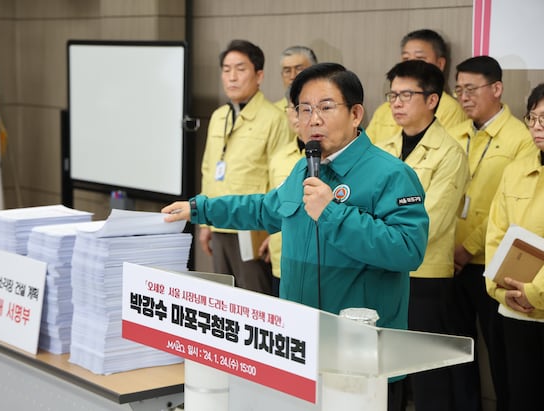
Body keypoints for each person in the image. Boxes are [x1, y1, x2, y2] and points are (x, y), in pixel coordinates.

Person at [164, 63, 430, 411]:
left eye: (325, 107)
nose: (313, 119)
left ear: (355, 114)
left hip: (359, 356)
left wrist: (332, 213)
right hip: (299, 346)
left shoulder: (391, 174)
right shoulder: (305, 168)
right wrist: (200, 209)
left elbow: (408, 249)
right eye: (304, 109)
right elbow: (265, 209)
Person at [377, 60, 469, 411]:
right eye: (392, 95)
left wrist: (373, 236)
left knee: (427, 377)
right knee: (386, 371)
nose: (396, 103)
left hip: (425, 276)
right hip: (382, 272)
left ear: (432, 100)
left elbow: (430, 223)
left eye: (406, 95)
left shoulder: (450, 153)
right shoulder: (382, 146)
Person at [447, 55, 538, 411]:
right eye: (459, 90)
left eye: (472, 89)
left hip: (499, 267)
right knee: (459, 350)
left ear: (497, 88)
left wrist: (468, 248)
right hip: (457, 263)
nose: (464, 97)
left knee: (504, 360)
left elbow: (505, 215)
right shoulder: (456, 134)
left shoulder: (520, 138)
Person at [198, 39, 299, 295]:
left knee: (252, 299)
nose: (232, 77)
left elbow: (282, 179)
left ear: (259, 75)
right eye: (226, 69)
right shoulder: (218, 116)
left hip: (252, 228)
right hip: (217, 221)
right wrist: (204, 221)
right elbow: (208, 169)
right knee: (221, 298)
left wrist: (274, 232)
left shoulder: (274, 119)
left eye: (240, 69)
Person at [485, 83, 544, 411]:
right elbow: (496, 234)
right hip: (514, 308)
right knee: (520, 396)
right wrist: (497, 288)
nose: (536, 127)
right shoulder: (516, 171)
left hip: (536, 300)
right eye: (532, 118)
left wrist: (534, 292)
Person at [263, 45, 318, 296]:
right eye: (287, 70)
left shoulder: (330, 155)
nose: (293, 75)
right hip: (281, 254)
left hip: (318, 259)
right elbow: (269, 202)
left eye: (299, 68)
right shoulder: (280, 156)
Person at [367, 29, 467, 144]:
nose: (411, 65)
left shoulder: (450, 109)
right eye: (406, 59)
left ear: (440, 64)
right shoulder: (384, 109)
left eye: (420, 59)